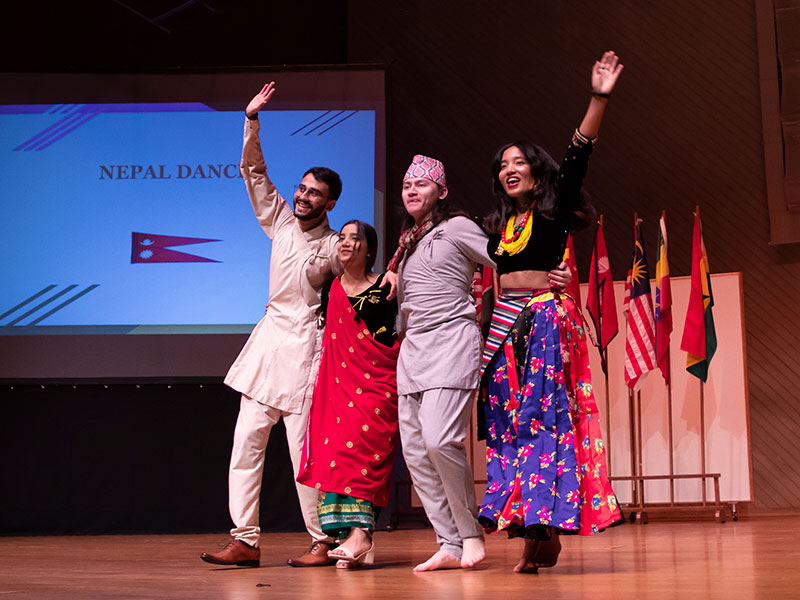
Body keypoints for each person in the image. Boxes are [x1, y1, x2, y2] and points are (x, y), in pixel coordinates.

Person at [385, 155, 572, 572]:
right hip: (412, 352)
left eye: (422, 184)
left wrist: (551, 272)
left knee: (439, 440)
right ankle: (448, 541)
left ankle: (469, 534)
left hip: (451, 343)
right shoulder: (407, 243)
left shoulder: (457, 227)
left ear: (442, 192)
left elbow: (505, 258)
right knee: (416, 452)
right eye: (406, 185)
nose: (412, 191)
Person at [478, 51, 624, 573]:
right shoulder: (496, 225)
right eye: (503, 165)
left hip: (541, 321)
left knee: (543, 424)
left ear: (538, 175)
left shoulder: (553, 209)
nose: (509, 169)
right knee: (507, 426)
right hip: (500, 328)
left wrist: (598, 98)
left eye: (519, 162)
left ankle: (543, 530)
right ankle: (527, 527)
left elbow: (580, 153)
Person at [201, 82, 342, 568]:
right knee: (245, 447)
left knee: (304, 457)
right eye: (302, 188)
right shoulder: (280, 221)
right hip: (267, 350)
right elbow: (254, 173)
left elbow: (354, 289)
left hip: (306, 354)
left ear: (329, 205)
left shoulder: (333, 247)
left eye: (313, 194)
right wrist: (251, 121)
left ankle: (323, 541)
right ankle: (245, 539)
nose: (302, 197)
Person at [296, 220, 400, 569]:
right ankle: (350, 536)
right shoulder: (331, 290)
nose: (346, 242)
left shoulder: (385, 287)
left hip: (377, 384)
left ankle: (361, 533)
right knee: (338, 454)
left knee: (364, 455)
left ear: (368, 249)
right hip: (338, 387)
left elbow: (391, 339)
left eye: (355, 238)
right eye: (342, 236)